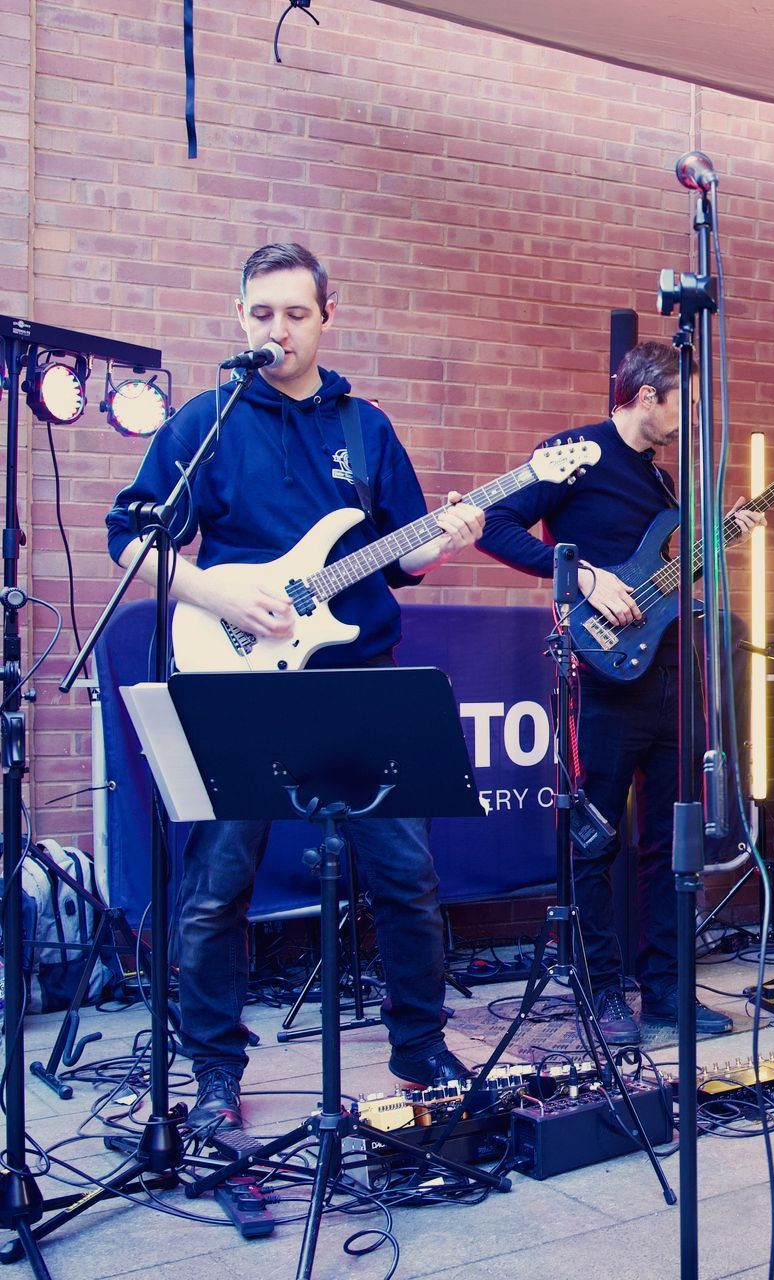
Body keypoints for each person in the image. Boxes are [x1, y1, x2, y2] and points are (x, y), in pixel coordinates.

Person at [104, 243, 486, 1132]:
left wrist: (456, 530)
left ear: (327, 314)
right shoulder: (206, 419)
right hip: (239, 676)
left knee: (405, 873)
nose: (276, 329)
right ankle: (213, 1071)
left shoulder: (368, 427)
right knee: (216, 883)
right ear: (241, 318)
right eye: (260, 314)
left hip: (359, 680)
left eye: (294, 313)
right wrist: (213, 587)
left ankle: (420, 1049)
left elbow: (408, 551)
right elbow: (129, 536)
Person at [478, 340, 753, 1043]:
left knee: (669, 844)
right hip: (599, 680)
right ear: (645, 396)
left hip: (667, 678)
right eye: (683, 405)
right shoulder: (576, 454)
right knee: (595, 839)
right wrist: (581, 577)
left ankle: (665, 992)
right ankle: (599, 993)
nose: (689, 420)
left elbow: (662, 581)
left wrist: (721, 539)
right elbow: (495, 527)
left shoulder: (662, 483)